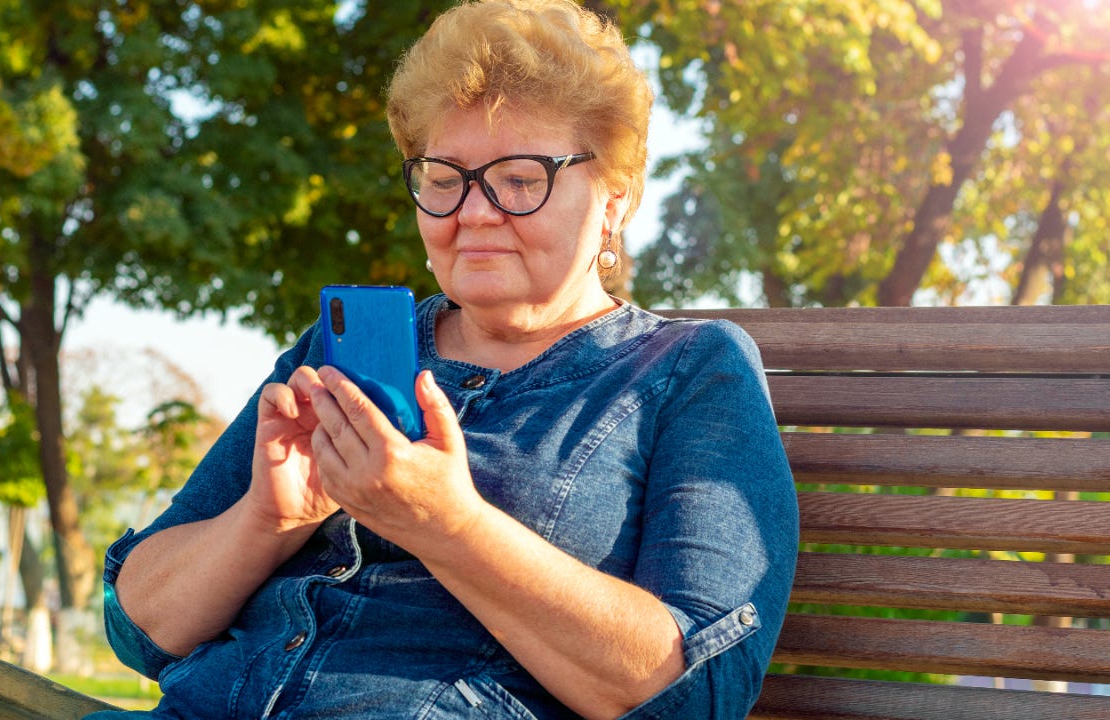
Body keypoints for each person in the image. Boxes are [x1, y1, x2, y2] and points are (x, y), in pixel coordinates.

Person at [90, 0, 797, 717]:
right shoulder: (333, 353)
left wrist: (448, 526)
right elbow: (144, 630)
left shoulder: (689, 370)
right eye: (444, 177)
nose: (476, 210)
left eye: (521, 179)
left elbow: (699, 693)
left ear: (612, 199)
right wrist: (269, 519)